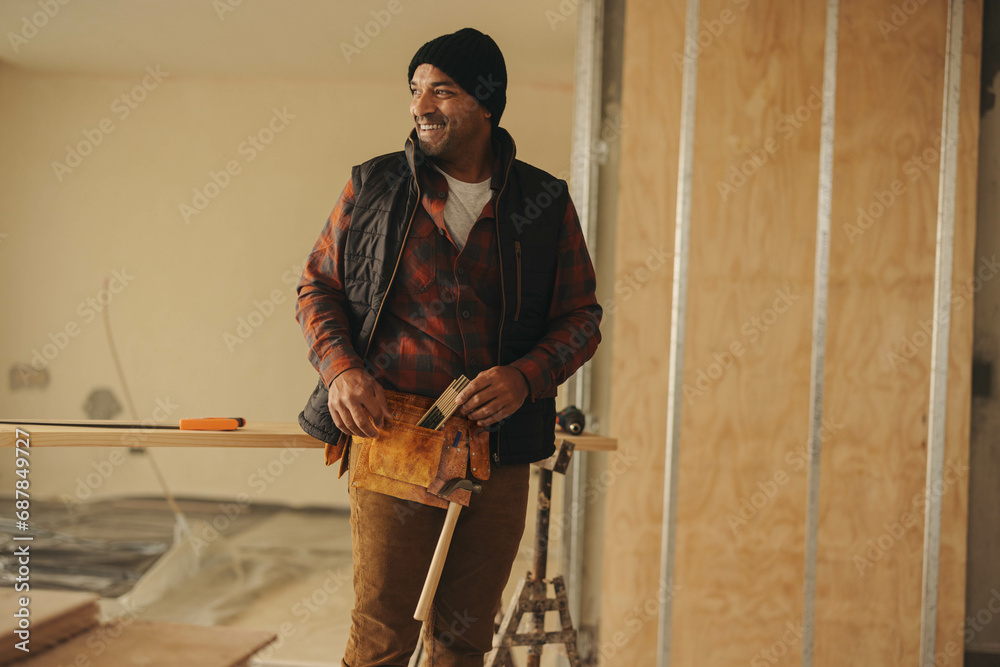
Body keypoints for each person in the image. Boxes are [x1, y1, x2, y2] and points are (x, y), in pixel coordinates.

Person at [295, 27, 602, 667]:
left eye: (444, 90)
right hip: (394, 434)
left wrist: (526, 376)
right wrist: (341, 370)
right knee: (381, 638)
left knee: (463, 641)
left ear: (487, 103)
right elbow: (316, 289)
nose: (421, 105)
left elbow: (581, 317)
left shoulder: (544, 203)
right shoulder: (372, 186)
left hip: (500, 442)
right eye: (415, 89)